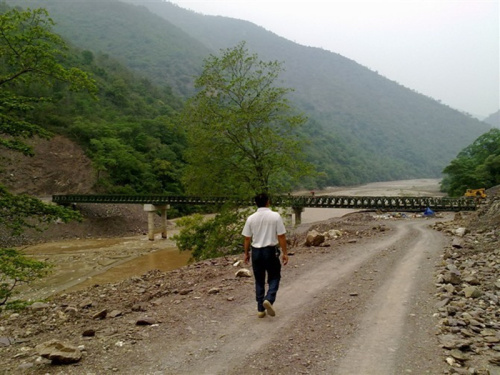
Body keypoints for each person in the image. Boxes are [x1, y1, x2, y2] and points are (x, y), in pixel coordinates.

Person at [242, 193, 288, 318]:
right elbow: (281, 236)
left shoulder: (251, 218)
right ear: (268, 202)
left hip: (256, 252)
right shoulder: (275, 216)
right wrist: (285, 253)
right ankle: (269, 298)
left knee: (259, 280)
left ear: (256, 203)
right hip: (270, 251)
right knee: (274, 277)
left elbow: (247, 238)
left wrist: (246, 254)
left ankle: (260, 309)